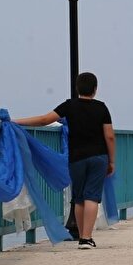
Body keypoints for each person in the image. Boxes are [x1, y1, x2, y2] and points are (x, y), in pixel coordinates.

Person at [14, 72, 115, 249]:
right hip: (99, 156)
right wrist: (111, 161)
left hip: (76, 157)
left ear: (77, 88)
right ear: (95, 89)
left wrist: (16, 122)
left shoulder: (70, 106)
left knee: (79, 197)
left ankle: (80, 234)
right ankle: (86, 238)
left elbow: (45, 119)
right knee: (92, 196)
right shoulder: (101, 108)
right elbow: (110, 136)